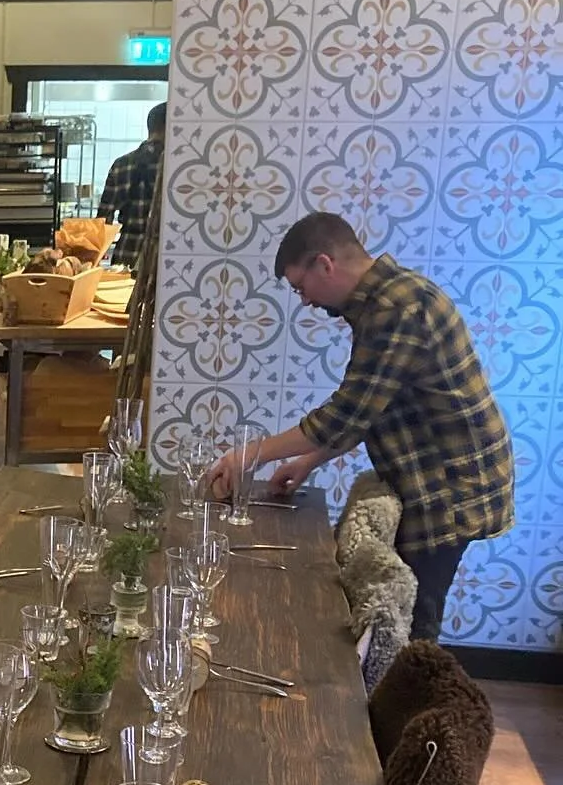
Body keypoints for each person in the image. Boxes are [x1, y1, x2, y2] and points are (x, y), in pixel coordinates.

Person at [207, 212, 513, 642]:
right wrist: (310, 460)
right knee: (403, 615)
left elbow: (347, 412)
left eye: (300, 286)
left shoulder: (397, 309)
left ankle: (412, 685)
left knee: (411, 625)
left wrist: (249, 454)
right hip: (441, 475)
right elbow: (373, 406)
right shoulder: (385, 300)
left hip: (450, 485)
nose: (305, 301)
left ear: (325, 264)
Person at [97, 102, 166, 270]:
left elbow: (102, 222)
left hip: (127, 258)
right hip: (167, 262)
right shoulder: (180, 168)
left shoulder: (122, 164)